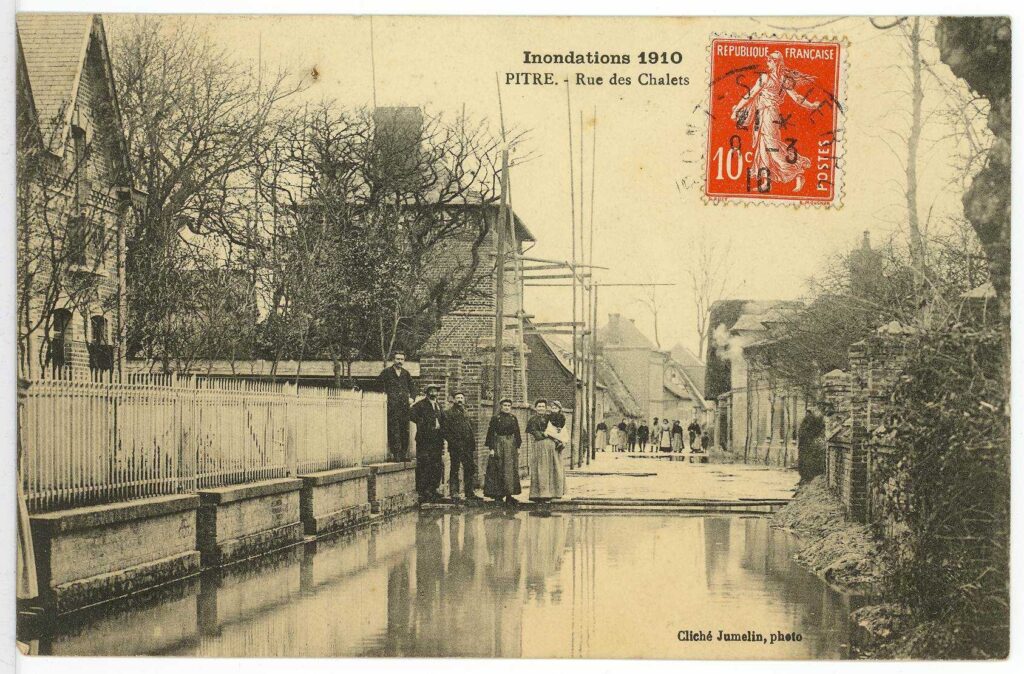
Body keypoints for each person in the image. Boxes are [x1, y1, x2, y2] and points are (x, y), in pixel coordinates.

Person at [730, 51, 823, 193]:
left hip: (768, 115)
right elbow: (797, 98)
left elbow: (751, 94)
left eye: (770, 61)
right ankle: (766, 183)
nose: (767, 63)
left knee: (772, 148)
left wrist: (737, 109)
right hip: (763, 115)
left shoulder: (767, 78)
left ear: (776, 63)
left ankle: (797, 173)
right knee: (762, 148)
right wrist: (811, 105)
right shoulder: (782, 79)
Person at [410, 384, 446, 502]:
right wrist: (421, 422)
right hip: (425, 439)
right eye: (431, 391)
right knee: (425, 464)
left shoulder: (438, 405)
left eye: (435, 391)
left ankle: (433, 489)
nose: (433, 393)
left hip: (437, 439)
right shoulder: (421, 404)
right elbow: (411, 413)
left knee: (436, 464)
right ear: (427, 393)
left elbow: (443, 419)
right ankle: (424, 490)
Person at [484, 398, 523, 504]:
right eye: (505, 405)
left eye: (509, 406)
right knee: (498, 468)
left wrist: (518, 446)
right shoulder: (496, 418)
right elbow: (490, 433)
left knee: (510, 470)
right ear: (501, 406)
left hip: (511, 445)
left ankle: (509, 495)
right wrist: (492, 448)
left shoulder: (513, 418)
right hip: (499, 444)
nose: (507, 407)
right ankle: (498, 495)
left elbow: (517, 433)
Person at [378, 351, 416, 461]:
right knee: (394, 429)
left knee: (405, 430)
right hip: (392, 406)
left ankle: (404, 454)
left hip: (404, 407)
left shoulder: (406, 373)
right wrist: (385, 397)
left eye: (402, 359)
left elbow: (413, 388)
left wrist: (412, 398)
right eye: (398, 359)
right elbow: (379, 386)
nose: (400, 361)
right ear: (393, 360)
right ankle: (396, 454)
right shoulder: (386, 373)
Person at [444, 392, 481, 502]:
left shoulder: (465, 412)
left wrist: (471, 443)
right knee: (455, 468)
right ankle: (454, 492)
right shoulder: (448, 413)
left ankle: (469, 492)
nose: (460, 400)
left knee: (469, 468)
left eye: (461, 398)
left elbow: (469, 429)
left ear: (464, 400)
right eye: (458, 398)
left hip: (467, 446)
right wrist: (453, 442)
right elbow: (445, 431)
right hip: (456, 446)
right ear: (454, 400)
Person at [527, 399, 565, 502]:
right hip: (540, 446)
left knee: (554, 468)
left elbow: (560, 425)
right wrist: (544, 434)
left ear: (546, 408)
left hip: (553, 446)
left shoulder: (550, 417)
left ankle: (555, 492)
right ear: (535, 408)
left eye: (543, 406)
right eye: (539, 406)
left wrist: (559, 437)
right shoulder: (532, 420)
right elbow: (534, 433)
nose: (541, 408)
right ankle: (540, 494)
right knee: (542, 469)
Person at [797, 405, 826, 483]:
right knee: (804, 461)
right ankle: (804, 478)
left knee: (807, 462)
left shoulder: (811, 421)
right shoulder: (807, 421)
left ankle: (807, 478)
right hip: (804, 444)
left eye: (809, 412)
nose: (807, 414)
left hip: (807, 445)